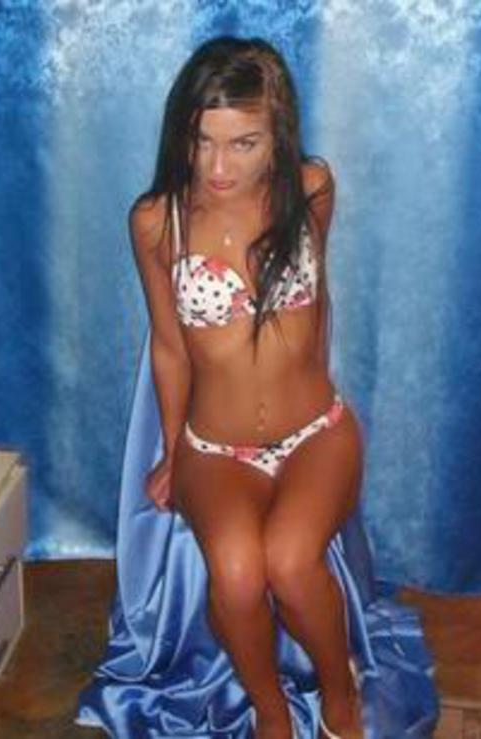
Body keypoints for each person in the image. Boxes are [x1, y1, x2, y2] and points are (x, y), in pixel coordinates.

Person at [76, 36, 439, 739]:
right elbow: (170, 346)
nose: (217, 166)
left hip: (316, 432)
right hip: (215, 447)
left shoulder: (312, 188)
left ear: (278, 136)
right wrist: (173, 450)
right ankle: (272, 715)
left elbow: (319, 304)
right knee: (238, 574)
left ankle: (339, 696)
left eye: (243, 143)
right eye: (201, 140)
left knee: (290, 562)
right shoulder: (156, 221)